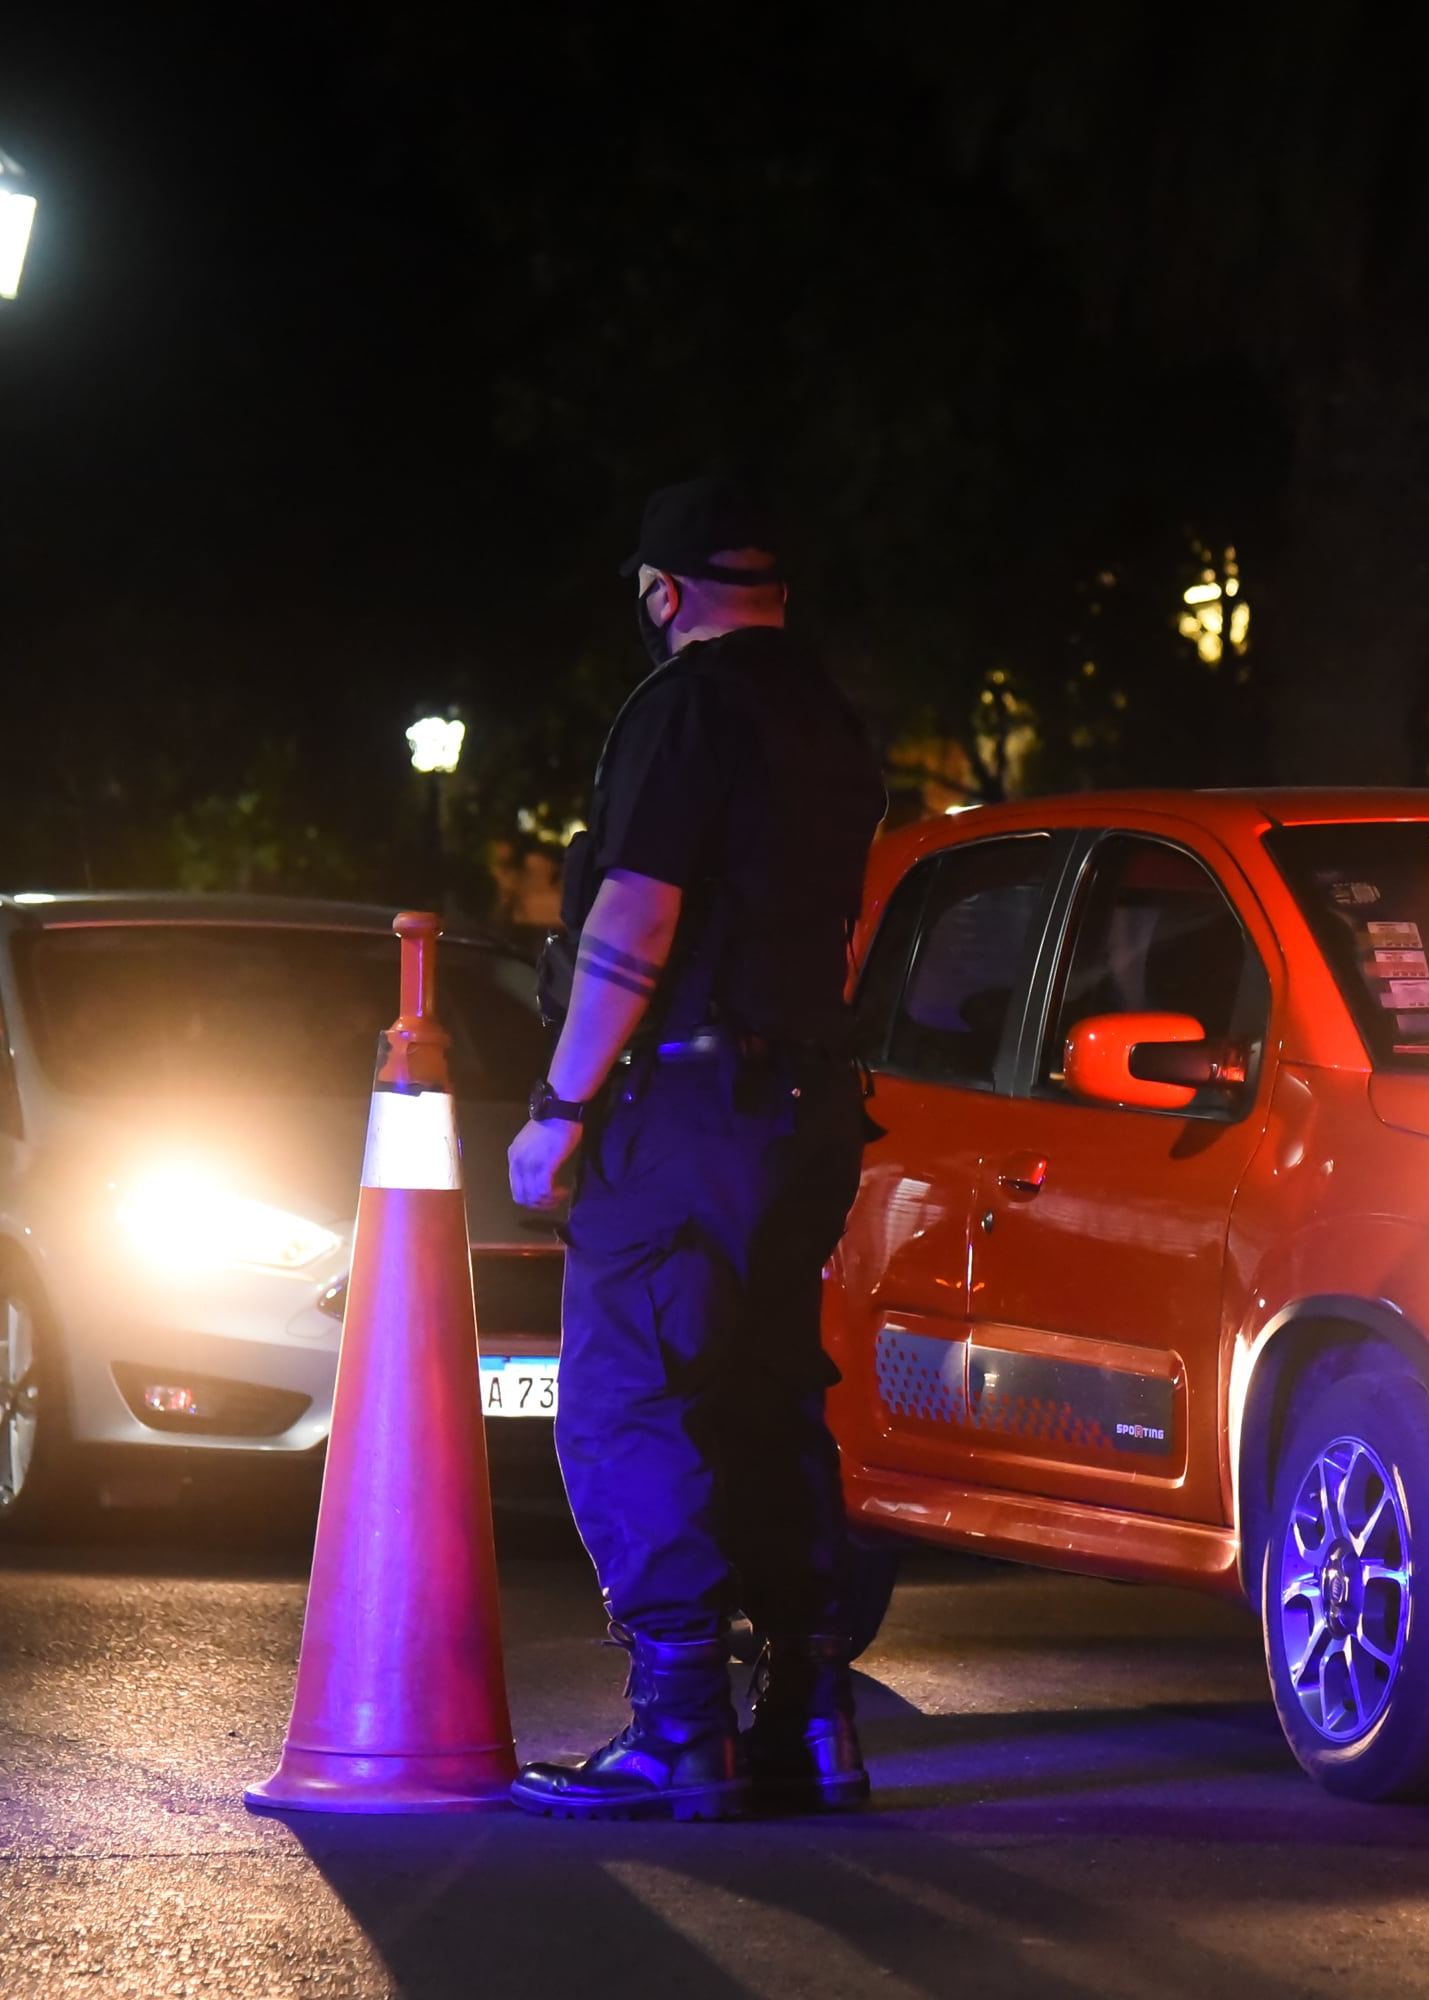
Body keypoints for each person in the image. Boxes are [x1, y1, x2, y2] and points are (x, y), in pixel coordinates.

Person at [505, 474, 886, 1822]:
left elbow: (640, 917)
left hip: (683, 1105)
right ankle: (809, 1718)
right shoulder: (833, 720)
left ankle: (679, 1728)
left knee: (631, 1400)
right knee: (771, 1393)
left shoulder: (682, 709)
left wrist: (561, 1107)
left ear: (664, 593)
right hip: (808, 1106)